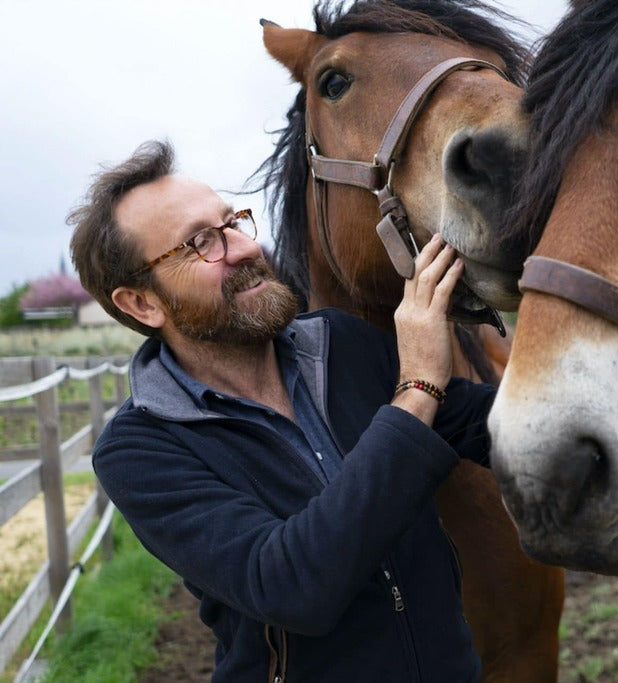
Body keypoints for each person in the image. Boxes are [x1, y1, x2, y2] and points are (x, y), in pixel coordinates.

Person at [68, 140, 495, 682]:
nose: (245, 248)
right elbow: (292, 587)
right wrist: (416, 388)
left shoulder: (343, 345)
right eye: (202, 243)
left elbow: (488, 426)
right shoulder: (141, 450)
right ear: (142, 303)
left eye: (235, 222)